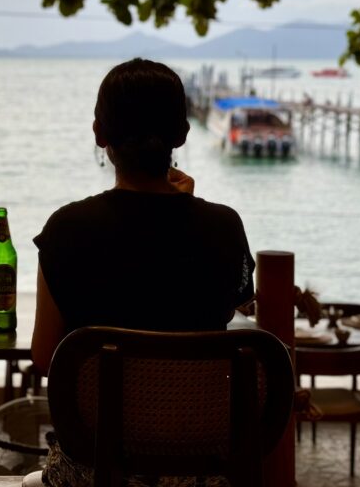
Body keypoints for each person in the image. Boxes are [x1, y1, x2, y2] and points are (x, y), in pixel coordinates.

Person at [31, 58, 255, 374]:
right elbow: (230, 308)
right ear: (182, 134)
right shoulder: (224, 227)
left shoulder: (65, 230)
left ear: (99, 133)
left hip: (97, 423)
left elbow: (45, 357)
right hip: (200, 419)